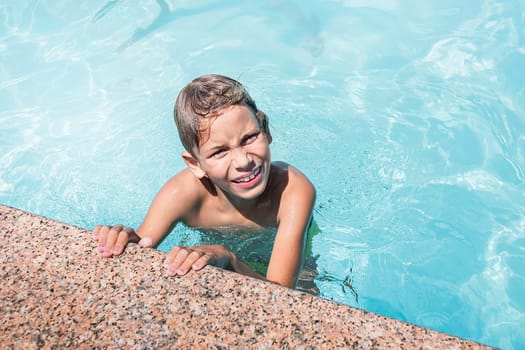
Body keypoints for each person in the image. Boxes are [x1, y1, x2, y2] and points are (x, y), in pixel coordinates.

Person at [92, 74, 316, 289]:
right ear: (195, 164)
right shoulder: (181, 194)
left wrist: (229, 259)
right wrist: (125, 239)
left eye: (249, 138)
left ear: (265, 130)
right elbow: (143, 246)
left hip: (296, 272)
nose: (243, 161)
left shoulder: (292, 190)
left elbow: (283, 293)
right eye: (219, 152)